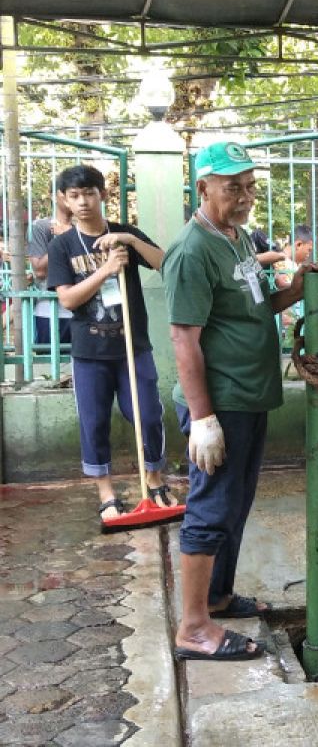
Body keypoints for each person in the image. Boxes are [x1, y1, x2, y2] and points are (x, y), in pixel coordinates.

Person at [165, 141, 316, 661]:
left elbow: (254, 309)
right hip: (221, 402)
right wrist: (203, 417)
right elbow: (184, 337)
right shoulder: (192, 250)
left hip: (248, 398)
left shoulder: (237, 239)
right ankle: (193, 629)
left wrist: (293, 293)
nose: (245, 196)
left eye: (250, 186)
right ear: (203, 186)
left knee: (235, 502)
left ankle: (218, 597)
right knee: (210, 509)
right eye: (233, 187)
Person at [46, 164, 172, 523]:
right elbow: (68, 300)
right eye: (74, 195)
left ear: (102, 194)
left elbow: (166, 262)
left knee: (148, 415)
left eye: (89, 193)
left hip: (133, 347)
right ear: (64, 200)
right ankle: (107, 494)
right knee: (94, 422)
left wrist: (130, 243)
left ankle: (155, 481)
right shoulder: (62, 246)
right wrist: (105, 269)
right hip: (89, 353)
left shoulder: (123, 232)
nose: (83, 201)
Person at [28, 194, 74, 345]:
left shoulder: (88, 227)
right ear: (54, 196)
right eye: (68, 192)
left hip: (86, 311)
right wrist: (65, 239)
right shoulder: (41, 226)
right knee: (48, 364)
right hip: (50, 309)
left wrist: (71, 234)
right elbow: (40, 271)